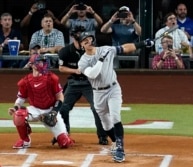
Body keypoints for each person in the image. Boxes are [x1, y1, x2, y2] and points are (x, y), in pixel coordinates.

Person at [77, 31, 154, 162]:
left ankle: (120, 149)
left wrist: (143, 43)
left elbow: (125, 48)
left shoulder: (106, 49)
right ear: (81, 45)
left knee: (115, 117)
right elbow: (92, 74)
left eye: (89, 39)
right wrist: (101, 59)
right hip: (98, 93)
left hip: (113, 89)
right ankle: (115, 142)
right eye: (85, 41)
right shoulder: (82, 61)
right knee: (106, 124)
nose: (88, 42)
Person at [8, 53, 74, 149]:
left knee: (65, 143)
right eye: (39, 62)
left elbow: (60, 97)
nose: (43, 64)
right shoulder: (26, 81)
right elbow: (21, 98)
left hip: (50, 110)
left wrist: (54, 111)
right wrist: (15, 107)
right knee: (19, 115)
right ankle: (25, 140)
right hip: (35, 109)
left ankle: (63, 136)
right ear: (32, 65)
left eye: (43, 62)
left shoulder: (52, 78)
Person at [57, 26, 108, 145]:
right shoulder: (65, 51)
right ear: (73, 37)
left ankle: (102, 136)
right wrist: (75, 71)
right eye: (79, 37)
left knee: (96, 108)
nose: (84, 41)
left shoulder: (91, 50)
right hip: (73, 82)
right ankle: (63, 135)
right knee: (63, 108)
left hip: (89, 83)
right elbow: (61, 68)